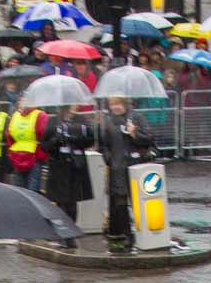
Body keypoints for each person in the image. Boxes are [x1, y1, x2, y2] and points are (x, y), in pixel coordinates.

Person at [98, 96, 155, 252]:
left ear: (124, 104)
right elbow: (103, 145)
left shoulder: (137, 117)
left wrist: (134, 133)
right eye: (112, 104)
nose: (115, 107)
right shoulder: (108, 122)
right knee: (120, 204)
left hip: (136, 167)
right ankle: (127, 236)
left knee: (139, 203)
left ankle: (144, 234)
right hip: (117, 169)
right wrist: (108, 158)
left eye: (117, 104)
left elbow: (149, 138)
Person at [41, 103, 94, 248]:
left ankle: (70, 234)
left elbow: (90, 140)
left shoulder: (81, 120)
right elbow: (44, 145)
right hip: (58, 166)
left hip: (75, 166)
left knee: (72, 202)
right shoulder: (53, 121)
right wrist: (55, 140)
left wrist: (75, 140)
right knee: (60, 202)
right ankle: (62, 233)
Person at [5, 100, 46, 190]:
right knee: (21, 190)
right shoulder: (15, 116)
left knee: (31, 189)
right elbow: (9, 135)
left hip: (33, 157)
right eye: (20, 101)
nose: (22, 104)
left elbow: (43, 135)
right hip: (18, 157)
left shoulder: (40, 115)